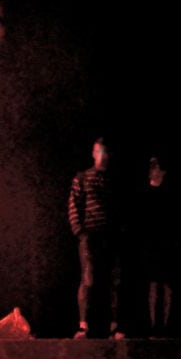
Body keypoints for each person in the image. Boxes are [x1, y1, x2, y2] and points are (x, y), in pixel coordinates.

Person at [68, 138, 122, 339]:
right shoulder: (82, 178)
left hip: (110, 236)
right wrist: (80, 231)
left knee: (115, 281)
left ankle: (114, 326)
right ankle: (83, 325)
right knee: (88, 278)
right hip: (90, 235)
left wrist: (118, 231)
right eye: (97, 151)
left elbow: (118, 207)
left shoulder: (112, 180)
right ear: (93, 153)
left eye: (104, 152)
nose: (101, 156)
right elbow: (74, 204)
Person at [137, 156, 177, 334]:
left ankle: (166, 325)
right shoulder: (144, 193)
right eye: (151, 167)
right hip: (150, 244)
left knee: (167, 284)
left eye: (155, 167)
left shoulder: (169, 193)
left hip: (167, 244)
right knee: (153, 284)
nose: (152, 170)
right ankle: (154, 325)